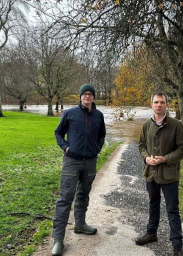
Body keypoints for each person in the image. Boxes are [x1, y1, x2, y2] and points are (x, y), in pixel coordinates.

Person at [51, 84, 106, 256]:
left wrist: (96, 149)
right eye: (85, 94)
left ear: (94, 97)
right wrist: (65, 147)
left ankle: (80, 224)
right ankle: (58, 239)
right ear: (80, 96)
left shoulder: (98, 116)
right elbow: (58, 133)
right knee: (65, 198)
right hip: (72, 162)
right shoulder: (70, 113)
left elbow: (102, 135)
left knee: (83, 194)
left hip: (90, 162)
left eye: (90, 94)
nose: (87, 97)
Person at [137, 92, 183, 256]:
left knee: (172, 209)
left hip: (169, 175)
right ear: (151, 104)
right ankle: (151, 233)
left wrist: (164, 159)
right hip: (151, 173)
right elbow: (141, 145)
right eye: (156, 102)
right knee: (153, 204)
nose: (159, 105)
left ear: (166, 105)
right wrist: (146, 158)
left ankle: (177, 246)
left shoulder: (176, 125)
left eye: (162, 102)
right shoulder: (146, 124)